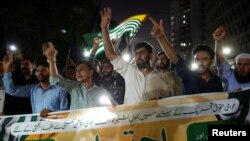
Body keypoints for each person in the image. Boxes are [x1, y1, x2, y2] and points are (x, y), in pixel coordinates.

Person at [100, 7, 183, 104]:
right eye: (136, 53)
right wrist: (104, 28)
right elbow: (110, 54)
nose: (138, 56)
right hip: (131, 118)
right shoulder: (130, 71)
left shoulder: (162, 76)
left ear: (151, 55)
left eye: (142, 52)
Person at [147, 17, 223, 95]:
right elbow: (174, 58)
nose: (200, 62)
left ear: (212, 61)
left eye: (204, 59)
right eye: (197, 59)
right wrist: (160, 37)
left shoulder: (217, 80)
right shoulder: (188, 76)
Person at [43, 42, 117, 110]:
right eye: (76, 70)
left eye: (81, 69)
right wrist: (52, 60)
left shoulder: (101, 92)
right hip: (76, 124)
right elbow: (54, 80)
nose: (77, 72)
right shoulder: (74, 87)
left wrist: (112, 107)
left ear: (91, 71)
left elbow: (116, 108)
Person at [2, 52, 68, 114]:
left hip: (55, 125)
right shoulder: (32, 89)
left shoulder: (60, 90)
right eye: (38, 70)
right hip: (36, 124)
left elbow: (64, 111)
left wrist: (51, 114)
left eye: (44, 70)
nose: (40, 73)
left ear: (50, 72)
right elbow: (11, 90)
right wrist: (7, 68)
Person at [213, 26, 250, 92]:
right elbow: (220, 62)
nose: (242, 68)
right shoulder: (229, 75)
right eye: (239, 64)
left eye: (246, 64)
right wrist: (218, 41)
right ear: (235, 65)